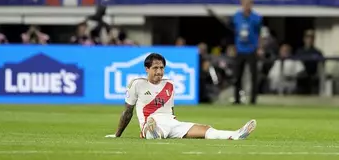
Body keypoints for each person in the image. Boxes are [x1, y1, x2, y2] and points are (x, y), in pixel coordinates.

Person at [106, 53, 256, 140]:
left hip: (172, 123)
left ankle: (236, 134)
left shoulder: (170, 84)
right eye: (155, 68)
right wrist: (117, 135)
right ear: (147, 69)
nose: (159, 71)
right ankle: (152, 132)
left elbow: (170, 110)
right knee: (153, 127)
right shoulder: (136, 84)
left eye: (161, 68)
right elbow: (127, 112)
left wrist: (176, 124)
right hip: (151, 121)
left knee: (206, 129)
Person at [231, 0, 262, 105]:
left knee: (254, 76)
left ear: (251, 4)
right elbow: (234, 33)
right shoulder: (236, 17)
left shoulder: (256, 18)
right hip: (240, 49)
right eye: (244, 4)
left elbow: (259, 34)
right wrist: (234, 46)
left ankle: (253, 100)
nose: (246, 6)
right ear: (242, 4)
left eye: (248, 4)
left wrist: (259, 47)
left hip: (251, 49)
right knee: (237, 76)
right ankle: (236, 98)